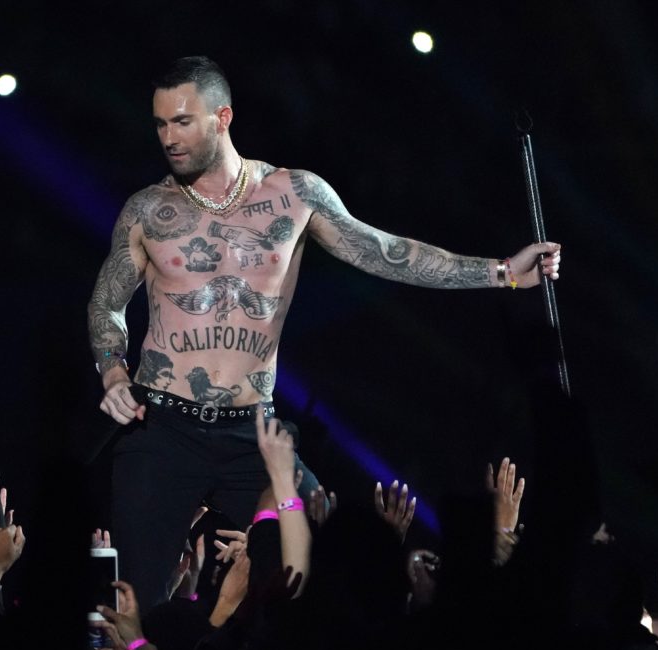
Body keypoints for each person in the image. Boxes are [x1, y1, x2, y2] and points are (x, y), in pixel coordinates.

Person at [87, 55, 562, 608]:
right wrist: (112, 371)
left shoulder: (293, 194)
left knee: (324, 570)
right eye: (160, 124)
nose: (169, 137)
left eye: (182, 121)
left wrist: (503, 273)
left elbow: (386, 252)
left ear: (223, 117)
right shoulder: (148, 210)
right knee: (137, 599)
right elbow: (106, 304)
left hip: (253, 433)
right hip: (163, 427)